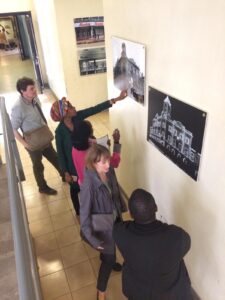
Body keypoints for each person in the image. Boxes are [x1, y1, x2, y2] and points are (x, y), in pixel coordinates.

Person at [50, 90, 127, 216]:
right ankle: (79, 212)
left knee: (88, 192)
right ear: (64, 114)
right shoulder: (60, 132)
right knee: (75, 189)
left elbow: (94, 109)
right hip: (75, 168)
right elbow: (61, 154)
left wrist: (116, 99)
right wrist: (65, 172)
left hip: (86, 169)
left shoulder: (77, 118)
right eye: (69, 107)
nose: (74, 107)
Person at [113, 188, 193, 300]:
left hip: (137, 293)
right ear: (156, 207)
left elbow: (117, 226)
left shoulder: (119, 233)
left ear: (130, 214)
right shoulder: (177, 236)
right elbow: (187, 244)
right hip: (171, 295)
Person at [80, 144, 127, 300]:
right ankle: (101, 291)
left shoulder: (109, 170)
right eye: (103, 162)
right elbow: (84, 216)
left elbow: (115, 162)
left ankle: (110, 259)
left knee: (115, 247)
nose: (108, 164)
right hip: (102, 226)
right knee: (109, 258)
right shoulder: (88, 185)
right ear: (93, 163)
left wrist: (117, 144)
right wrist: (92, 239)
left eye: (107, 160)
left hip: (115, 217)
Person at [11, 77, 62, 195]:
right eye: (31, 89)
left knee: (55, 158)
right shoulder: (18, 107)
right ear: (23, 91)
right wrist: (26, 144)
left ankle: (64, 174)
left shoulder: (35, 99)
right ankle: (42, 187)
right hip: (33, 143)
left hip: (43, 137)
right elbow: (13, 129)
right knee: (38, 166)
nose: (35, 90)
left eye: (34, 87)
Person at [71, 120, 121, 186]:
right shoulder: (94, 152)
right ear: (88, 134)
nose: (93, 130)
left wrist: (102, 145)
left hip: (84, 186)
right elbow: (115, 162)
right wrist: (116, 142)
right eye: (91, 129)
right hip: (99, 188)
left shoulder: (74, 148)